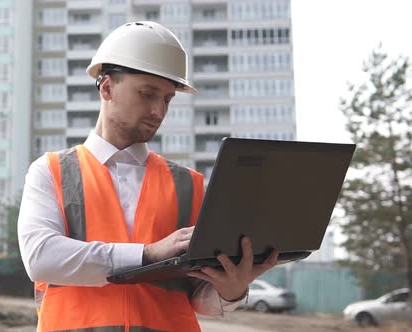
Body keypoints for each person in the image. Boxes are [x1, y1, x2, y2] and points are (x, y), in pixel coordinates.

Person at [18, 21, 279, 332]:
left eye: (167, 99)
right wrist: (147, 253)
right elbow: (41, 258)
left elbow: (199, 300)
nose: (158, 110)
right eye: (147, 94)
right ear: (107, 88)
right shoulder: (51, 171)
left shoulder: (189, 184)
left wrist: (233, 288)